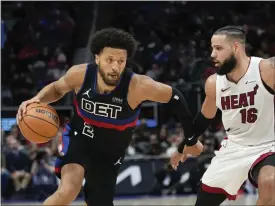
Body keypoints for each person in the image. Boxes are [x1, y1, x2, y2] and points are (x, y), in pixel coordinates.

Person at [16, 28, 203, 206]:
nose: (115, 66)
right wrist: (37, 99)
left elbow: (176, 96)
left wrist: (191, 139)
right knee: (68, 190)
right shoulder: (80, 75)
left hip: (110, 152)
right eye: (110, 60)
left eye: (121, 61)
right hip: (79, 139)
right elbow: (57, 89)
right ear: (97, 58)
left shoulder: (138, 85)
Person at [171, 25, 275, 205]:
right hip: (235, 147)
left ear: (236, 47)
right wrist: (183, 146)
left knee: (270, 182)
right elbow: (204, 118)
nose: (212, 54)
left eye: (218, 48)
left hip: (269, 144)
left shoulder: (267, 70)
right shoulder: (214, 83)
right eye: (212, 48)